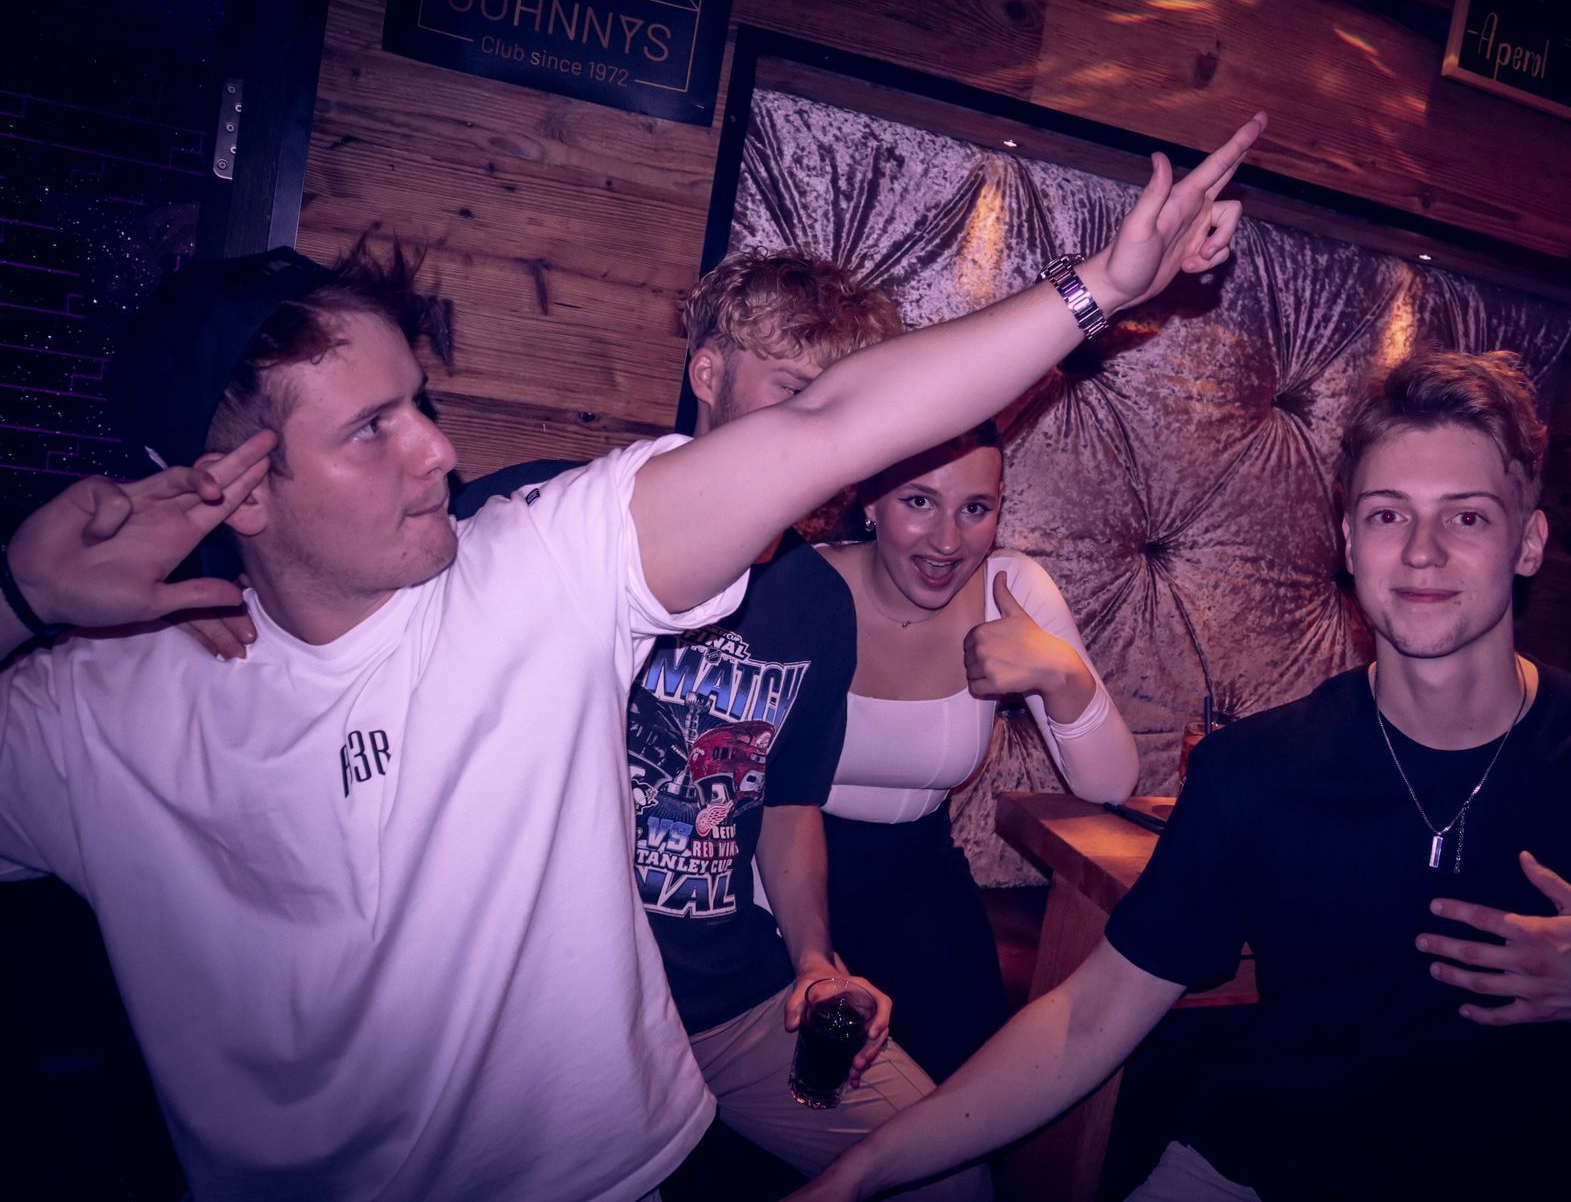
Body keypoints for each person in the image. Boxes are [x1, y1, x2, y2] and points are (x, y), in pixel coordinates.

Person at [0, 108, 1264, 1202]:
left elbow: (833, 428)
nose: (437, 449)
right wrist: (18, 598)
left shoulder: (532, 567)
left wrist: (1101, 287)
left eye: (420, 404)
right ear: (230, 485)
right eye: (372, 427)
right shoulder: (89, 714)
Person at [791, 349, 1571, 1202]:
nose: (1422, 551)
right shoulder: (1256, 771)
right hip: (1250, 1171)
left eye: (1466, 516)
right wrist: (862, 1172)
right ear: (1348, 543)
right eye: (1387, 514)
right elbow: (1090, 1016)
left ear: (1531, 541)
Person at [447, 250, 985, 1197]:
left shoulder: (818, 602)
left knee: (946, 1173)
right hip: (545, 1002)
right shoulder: (550, 519)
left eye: (844, 407)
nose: (825, 436)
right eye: (795, 395)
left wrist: (814, 957)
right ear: (708, 373)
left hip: (726, 1000)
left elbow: (787, 805)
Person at [815, 423, 1139, 1081]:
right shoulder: (803, 585)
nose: (947, 541)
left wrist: (1063, 674)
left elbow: (1110, 788)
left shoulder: (1008, 589)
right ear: (870, 499)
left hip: (920, 891)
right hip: (781, 891)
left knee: (959, 1109)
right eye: (919, 501)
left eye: (975, 508)